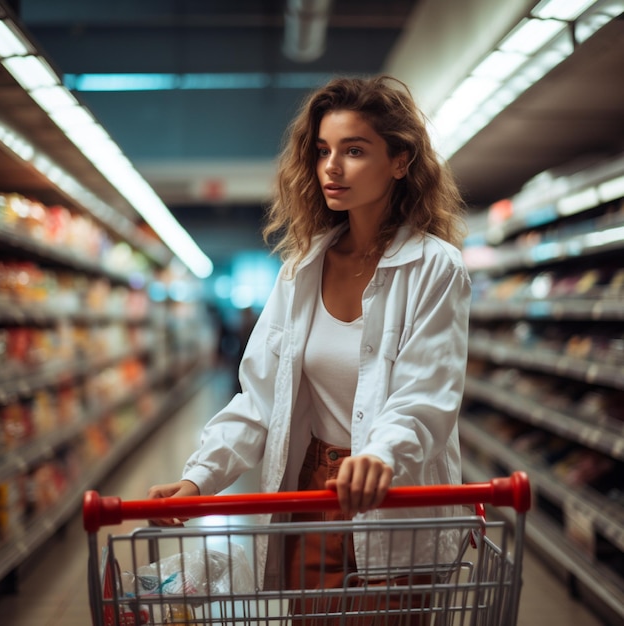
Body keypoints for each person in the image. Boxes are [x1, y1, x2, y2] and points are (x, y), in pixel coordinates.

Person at [148, 75, 471, 620]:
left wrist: (380, 455)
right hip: (313, 494)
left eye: (354, 150)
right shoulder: (301, 270)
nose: (332, 168)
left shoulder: (435, 267)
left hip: (397, 497)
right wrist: (199, 476)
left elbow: (426, 393)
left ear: (400, 161)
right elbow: (259, 398)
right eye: (323, 151)